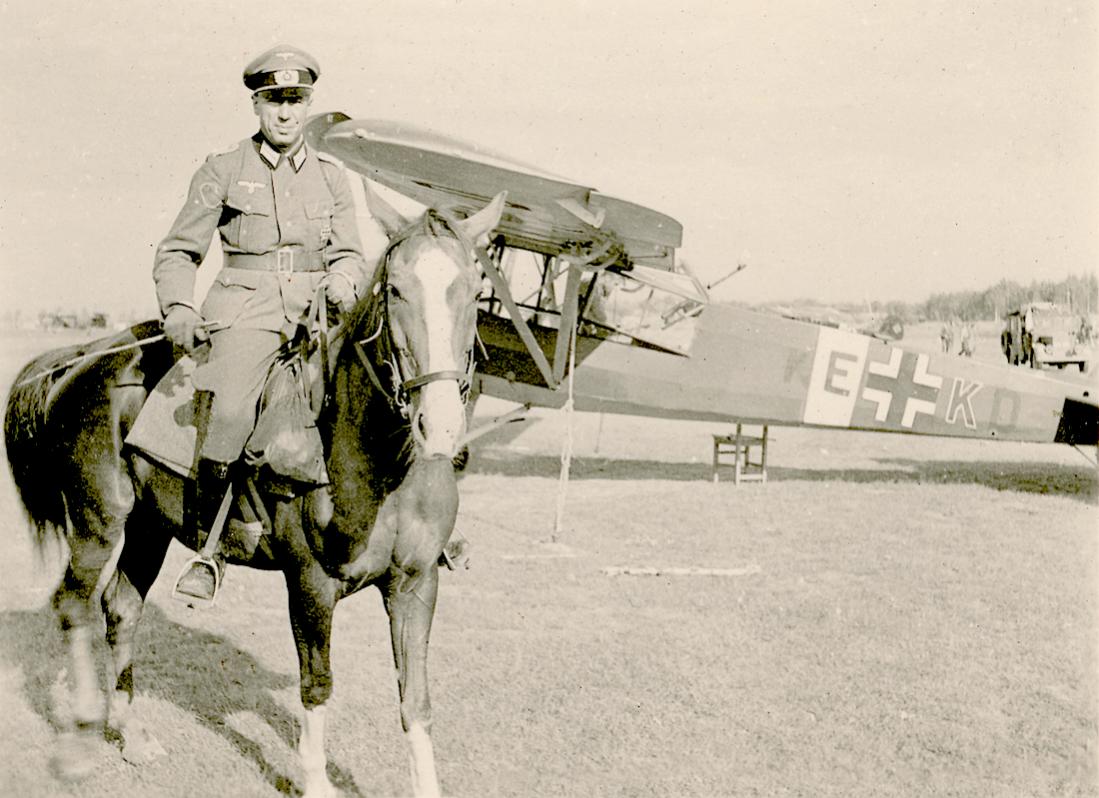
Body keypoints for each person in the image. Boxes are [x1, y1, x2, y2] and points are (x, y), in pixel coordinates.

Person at [154, 44, 373, 602]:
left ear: (307, 105)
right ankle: (212, 546)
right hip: (245, 311)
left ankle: (416, 525)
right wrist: (179, 307)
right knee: (228, 413)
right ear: (256, 104)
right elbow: (179, 251)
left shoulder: (332, 177)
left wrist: (345, 279)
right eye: (273, 100)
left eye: (295, 100)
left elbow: (350, 252)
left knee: (379, 390)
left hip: (320, 314)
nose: (285, 112)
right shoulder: (223, 170)